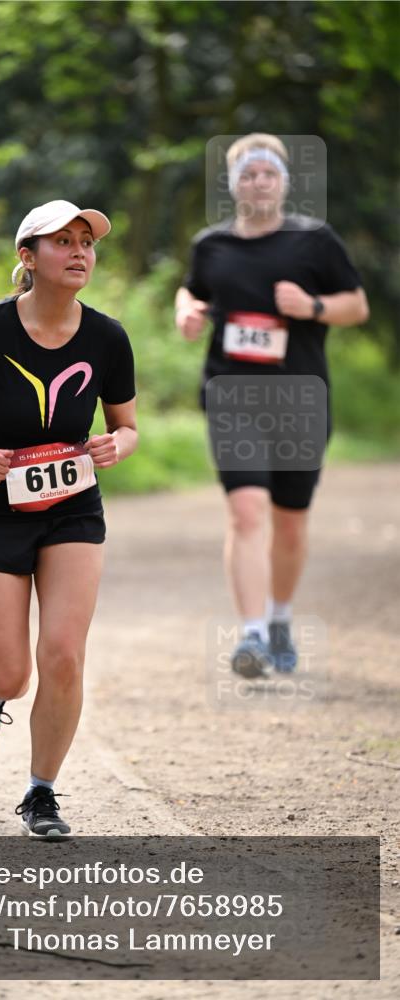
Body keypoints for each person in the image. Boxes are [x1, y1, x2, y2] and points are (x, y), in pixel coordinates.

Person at [0, 200, 137, 837]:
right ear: (28, 257)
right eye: (62, 242)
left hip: (72, 507)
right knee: (12, 674)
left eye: (86, 243)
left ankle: (42, 793)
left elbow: (126, 428)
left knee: (64, 654)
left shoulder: (107, 337)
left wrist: (115, 446)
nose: (79, 252)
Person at [175, 134, 369, 678]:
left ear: (283, 181)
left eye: (268, 173)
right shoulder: (211, 245)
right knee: (246, 510)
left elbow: (357, 306)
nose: (257, 181)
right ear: (232, 184)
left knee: (289, 522)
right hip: (231, 394)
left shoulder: (315, 241)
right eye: (247, 174)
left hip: (301, 397)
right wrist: (186, 311)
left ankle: (280, 616)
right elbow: (191, 291)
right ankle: (253, 635)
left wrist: (311, 305)